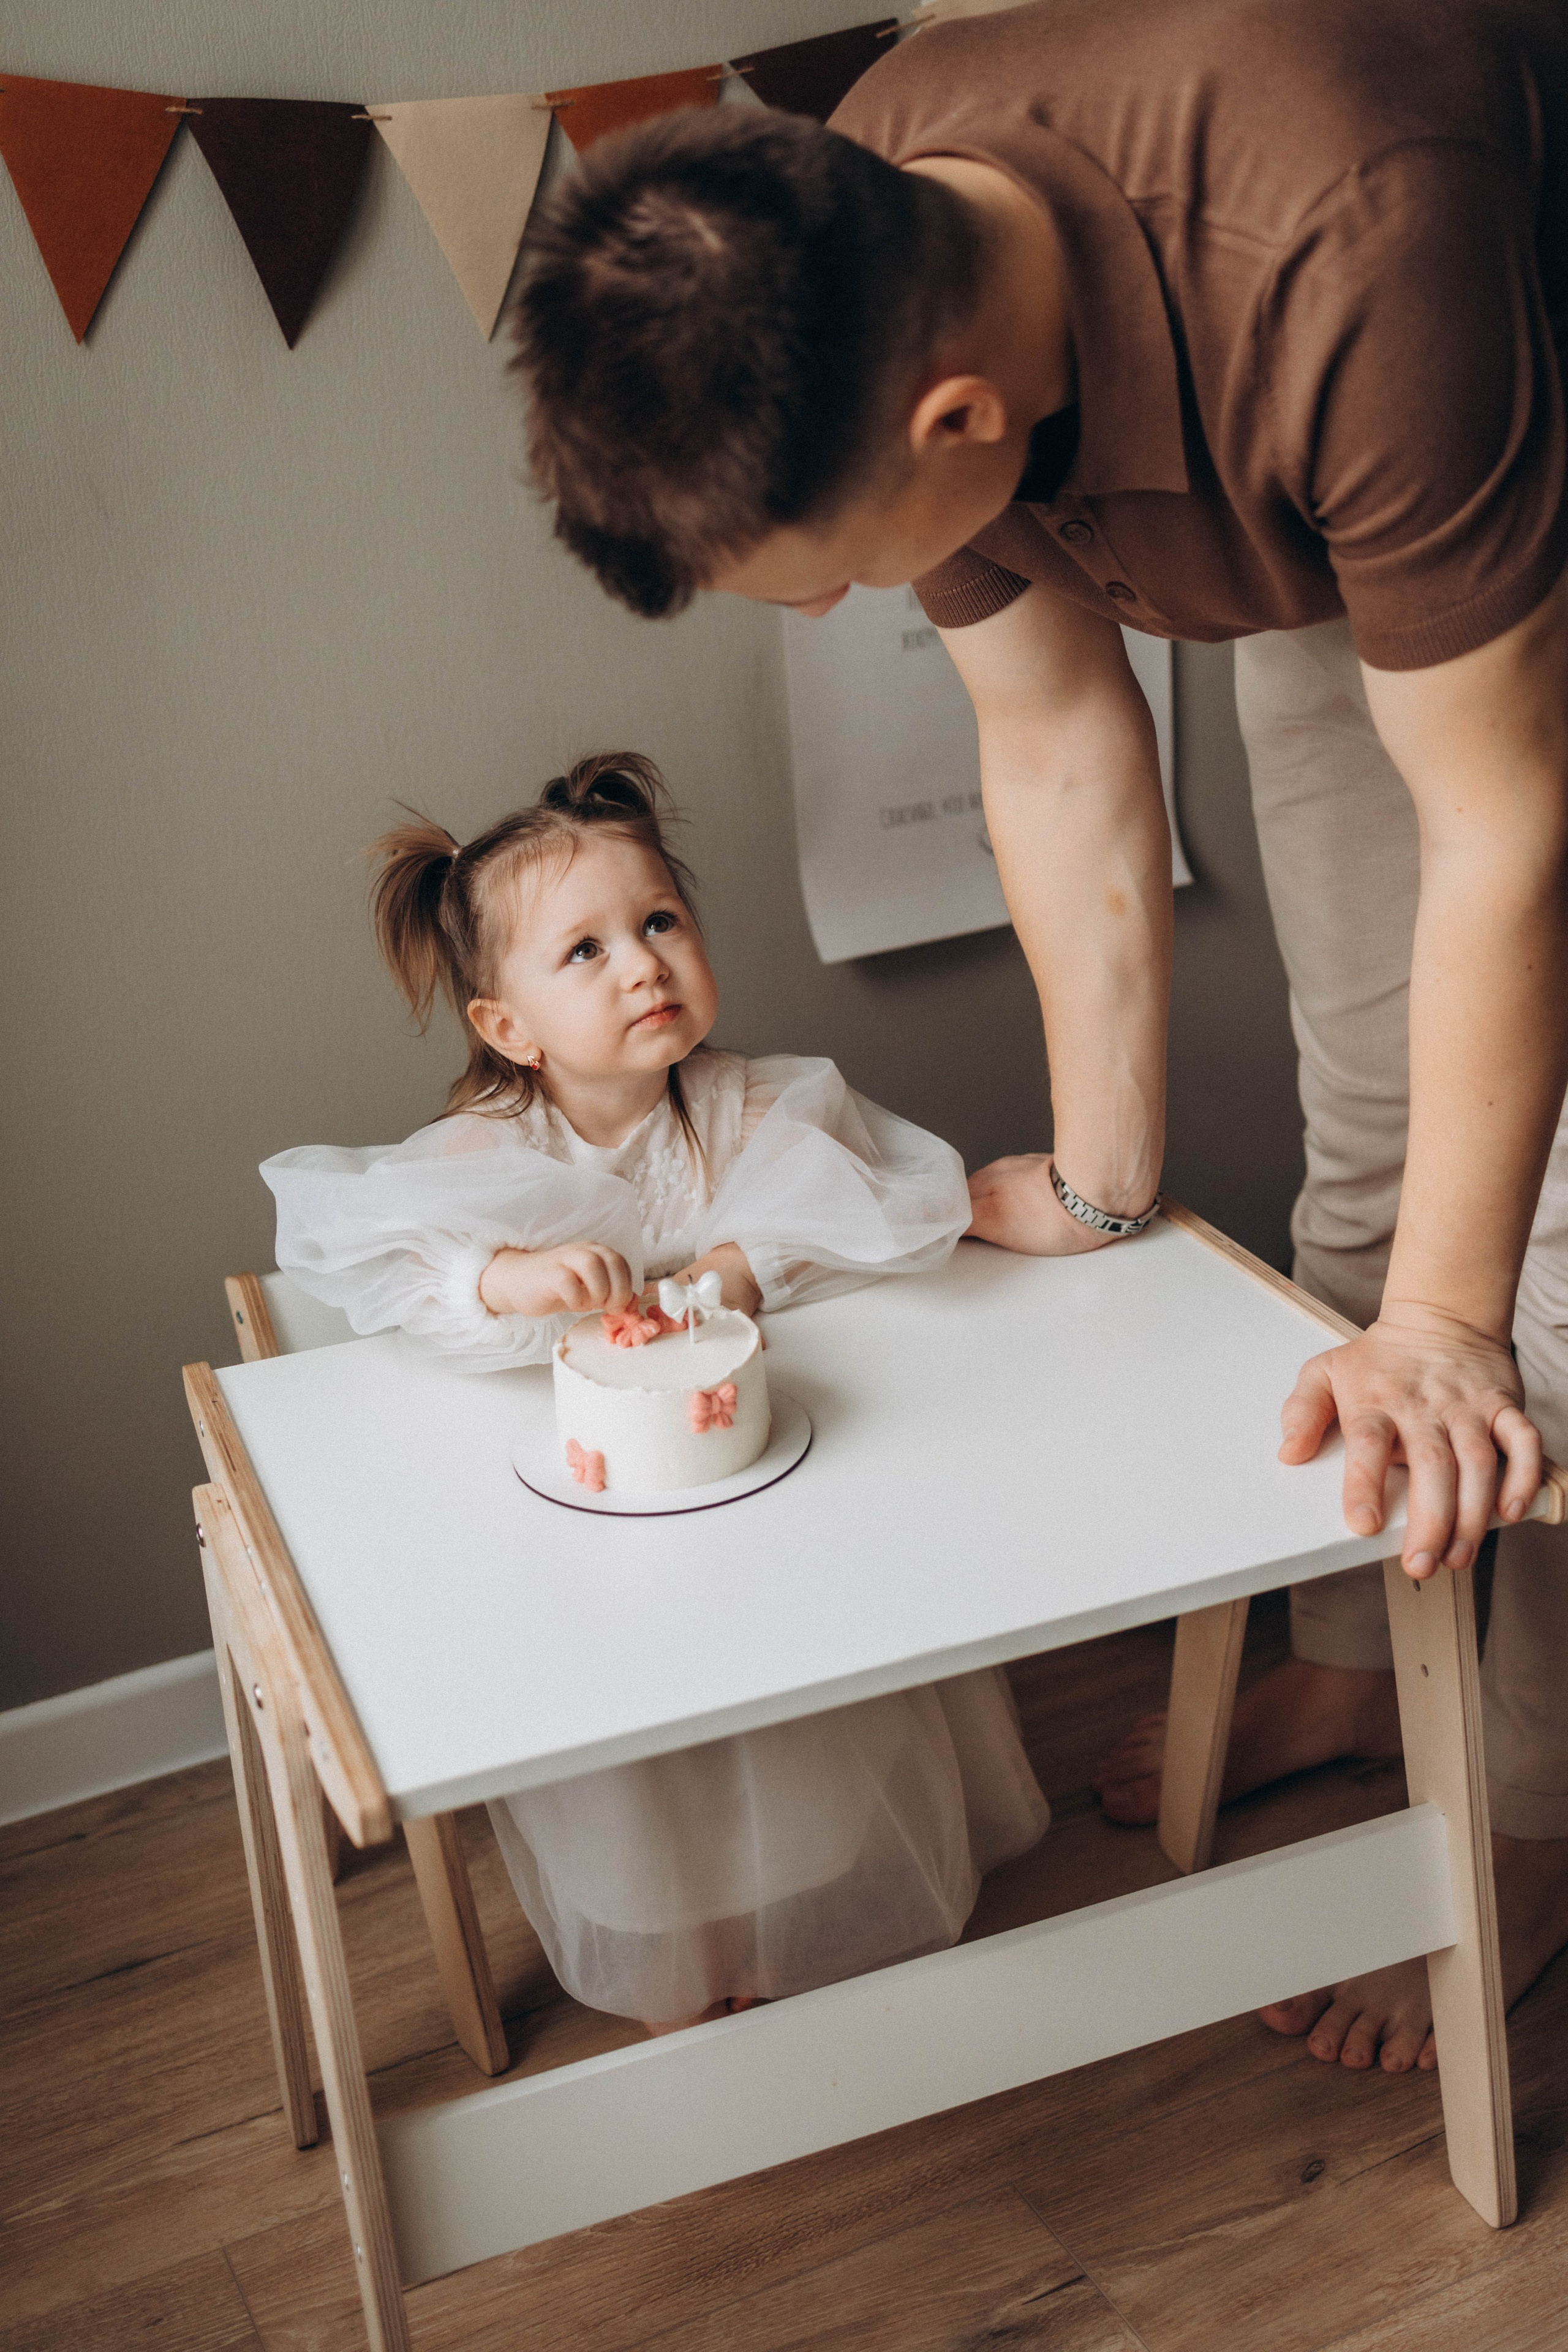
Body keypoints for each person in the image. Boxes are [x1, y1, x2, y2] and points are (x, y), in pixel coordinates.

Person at [503, 0, 1568, 2074]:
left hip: (1495, 442)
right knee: (1365, 1112)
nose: (820, 622)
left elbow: (1503, 829)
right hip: (1325, 505)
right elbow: (1065, 744)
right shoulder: (886, 186)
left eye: (814, 581)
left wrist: (1442, 1326)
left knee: (1529, 1248)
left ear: (963, 428)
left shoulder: (1359, 253)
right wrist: (1104, 1174)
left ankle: (1530, 1818)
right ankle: (1365, 1659)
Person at [261, 752, 1049, 2032]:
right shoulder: (484, 1155)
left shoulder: (759, 1105)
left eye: (659, 922)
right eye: (584, 951)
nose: (641, 964)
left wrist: (737, 1267)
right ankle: (683, 1947)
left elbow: (882, 1202)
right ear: (505, 1027)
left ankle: (813, 1921)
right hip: (595, 1527)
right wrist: (505, 1278)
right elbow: (367, 1258)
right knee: (645, 1745)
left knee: (801, 1718)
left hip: (763, 1481)